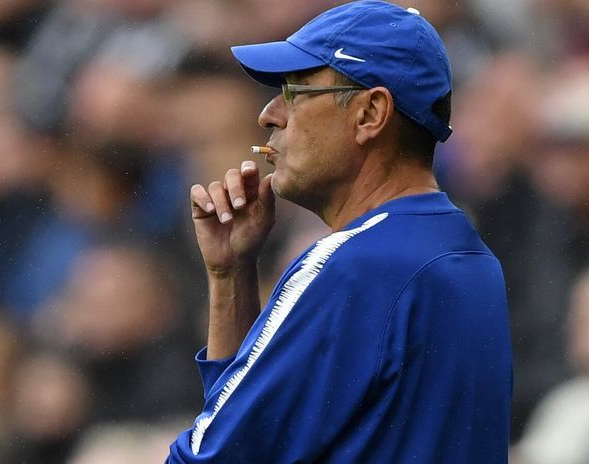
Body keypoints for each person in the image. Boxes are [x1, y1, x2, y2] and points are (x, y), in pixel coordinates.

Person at [167, 1, 512, 462]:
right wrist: (231, 277)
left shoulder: (357, 265)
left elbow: (218, 456)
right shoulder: (470, 258)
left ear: (370, 113)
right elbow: (246, 425)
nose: (269, 114)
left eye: (295, 90)